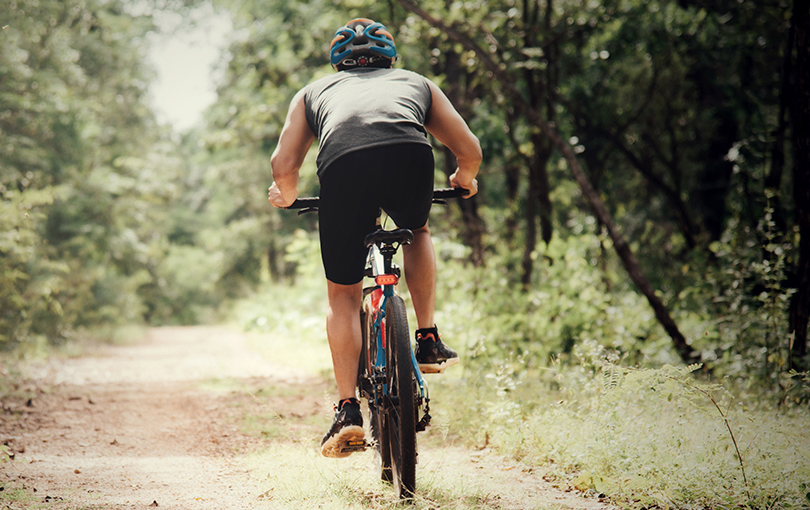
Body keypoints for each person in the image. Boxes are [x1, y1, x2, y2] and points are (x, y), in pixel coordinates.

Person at [267, 18, 482, 458]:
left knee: (343, 296)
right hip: (410, 154)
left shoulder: (312, 93)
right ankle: (426, 337)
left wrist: (285, 196)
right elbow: (469, 148)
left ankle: (348, 410)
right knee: (416, 228)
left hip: (343, 166)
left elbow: (283, 165)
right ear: (390, 57)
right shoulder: (416, 83)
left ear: (336, 61)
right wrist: (465, 177)